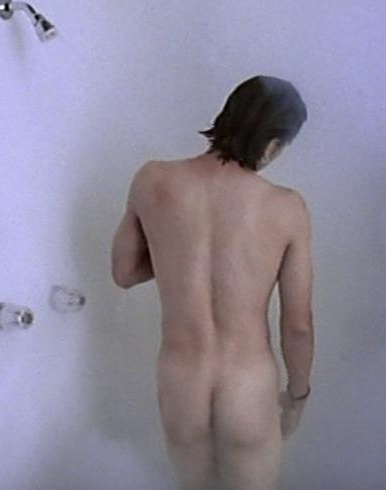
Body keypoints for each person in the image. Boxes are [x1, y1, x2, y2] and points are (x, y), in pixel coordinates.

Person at [111, 75, 315, 490]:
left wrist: (176, 253)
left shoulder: (153, 179)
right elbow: (298, 325)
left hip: (180, 385)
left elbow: (124, 272)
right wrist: (297, 396)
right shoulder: (286, 207)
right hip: (246, 387)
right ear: (273, 143)